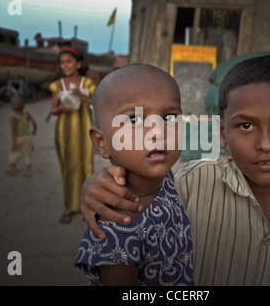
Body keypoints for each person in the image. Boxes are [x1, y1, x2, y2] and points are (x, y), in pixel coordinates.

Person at [78, 55, 270, 285]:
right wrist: (96, 185)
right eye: (246, 126)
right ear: (222, 133)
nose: (266, 145)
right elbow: (140, 184)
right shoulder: (191, 184)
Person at [74, 64, 193, 286]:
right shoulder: (118, 221)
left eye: (169, 117)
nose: (158, 131)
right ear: (102, 143)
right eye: (135, 120)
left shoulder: (165, 179)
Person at [49, 47, 96, 223]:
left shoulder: (88, 84)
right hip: (64, 131)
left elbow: (96, 101)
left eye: (68, 62)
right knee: (68, 166)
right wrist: (60, 108)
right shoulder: (57, 85)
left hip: (84, 130)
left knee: (86, 166)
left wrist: (81, 96)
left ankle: (88, 207)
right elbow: (53, 110)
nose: (65, 65)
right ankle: (69, 206)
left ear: (78, 64)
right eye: (62, 63)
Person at [6, 96, 37, 177]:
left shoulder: (13, 118)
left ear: (12, 108)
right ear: (24, 106)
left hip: (18, 138)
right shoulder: (27, 115)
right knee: (27, 154)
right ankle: (29, 171)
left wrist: (14, 142)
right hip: (27, 138)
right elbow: (34, 123)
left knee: (13, 153)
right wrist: (34, 130)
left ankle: (14, 169)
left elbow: (13, 131)